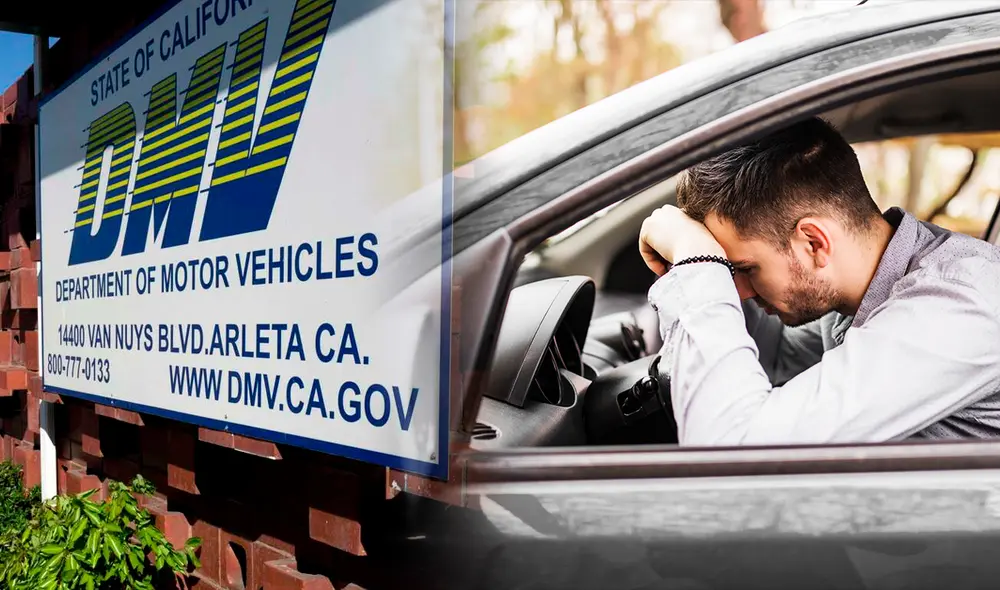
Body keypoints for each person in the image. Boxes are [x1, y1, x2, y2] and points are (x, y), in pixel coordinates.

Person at [638, 115, 1000, 446]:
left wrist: (698, 262)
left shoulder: (955, 306)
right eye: (729, 273)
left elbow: (732, 451)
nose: (740, 293)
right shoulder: (861, 289)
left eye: (746, 269)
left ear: (814, 242)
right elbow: (777, 355)